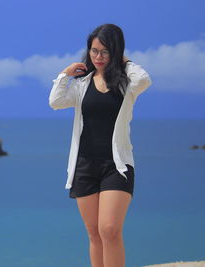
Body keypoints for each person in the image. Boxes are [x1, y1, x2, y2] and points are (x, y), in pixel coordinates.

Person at [48, 24, 152, 267]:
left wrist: (123, 60)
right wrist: (65, 74)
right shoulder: (82, 84)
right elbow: (55, 101)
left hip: (117, 166)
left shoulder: (127, 84)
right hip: (84, 165)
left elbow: (145, 78)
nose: (98, 57)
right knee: (94, 233)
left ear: (115, 52)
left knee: (110, 229)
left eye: (105, 51)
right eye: (94, 51)